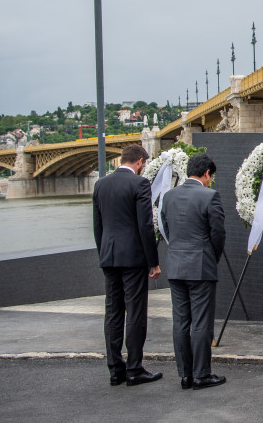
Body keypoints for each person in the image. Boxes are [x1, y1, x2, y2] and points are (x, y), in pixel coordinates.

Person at [92, 144, 163, 387]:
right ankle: (134, 368)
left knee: (112, 312)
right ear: (141, 162)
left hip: (109, 256)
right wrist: (153, 261)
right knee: (135, 312)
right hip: (133, 258)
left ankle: (115, 369)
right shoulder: (139, 184)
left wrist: (104, 253)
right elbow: (145, 225)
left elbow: (98, 226)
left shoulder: (100, 184)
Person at [160, 153, 227, 390]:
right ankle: (201, 374)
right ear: (207, 173)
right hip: (201, 267)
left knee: (180, 321)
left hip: (175, 267)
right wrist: (211, 257)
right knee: (201, 322)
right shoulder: (210, 196)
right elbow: (218, 234)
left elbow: (166, 228)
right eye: (211, 177)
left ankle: (185, 375)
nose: (210, 181)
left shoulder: (168, 197)